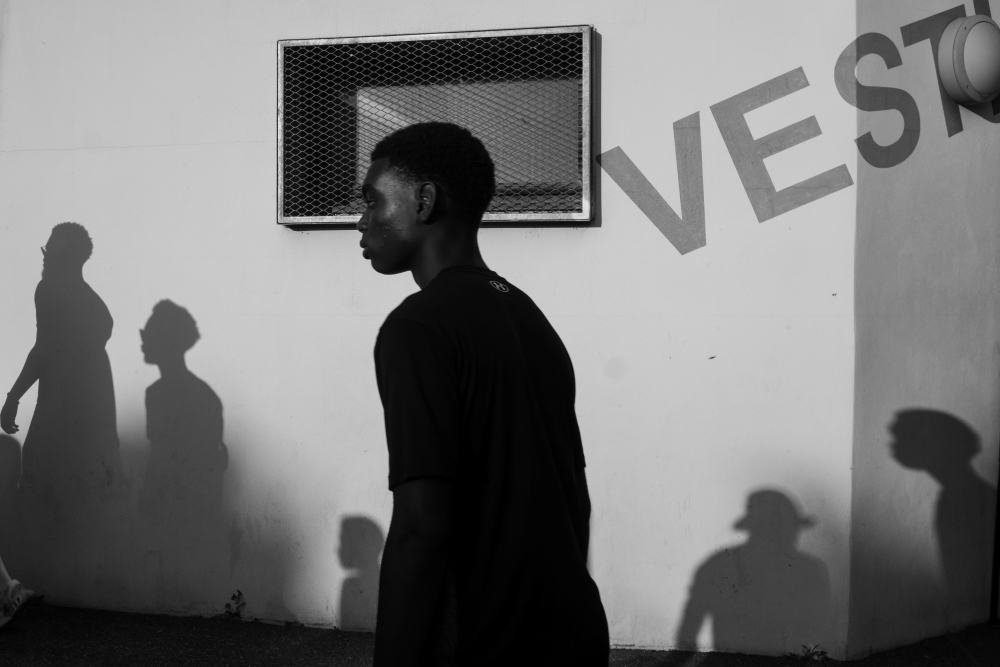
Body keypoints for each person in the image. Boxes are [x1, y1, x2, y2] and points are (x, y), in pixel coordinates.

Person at [359, 122, 609, 666]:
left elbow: (422, 525)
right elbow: (576, 498)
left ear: (424, 201)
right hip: (574, 631)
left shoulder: (418, 328)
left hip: (487, 642)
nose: (362, 222)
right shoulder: (527, 314)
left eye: (373, 200)